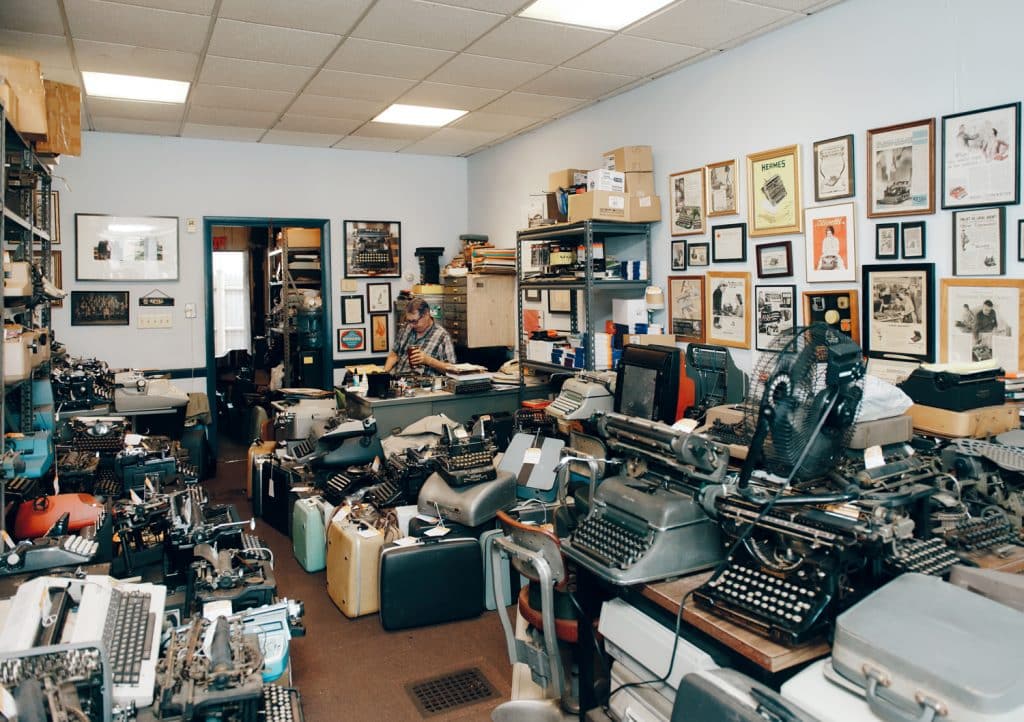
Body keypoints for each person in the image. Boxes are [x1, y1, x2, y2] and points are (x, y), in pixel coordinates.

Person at [383, 297, 456, 377]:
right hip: (399, 381)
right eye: (409, 321)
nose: (411, 325)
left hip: (424, 386)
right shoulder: (405, 329)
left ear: (426, 315)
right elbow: (394, 355)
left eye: (414, 321)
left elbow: (452, 370)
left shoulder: (442, 336)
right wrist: (383, 375)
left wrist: (428, 360)